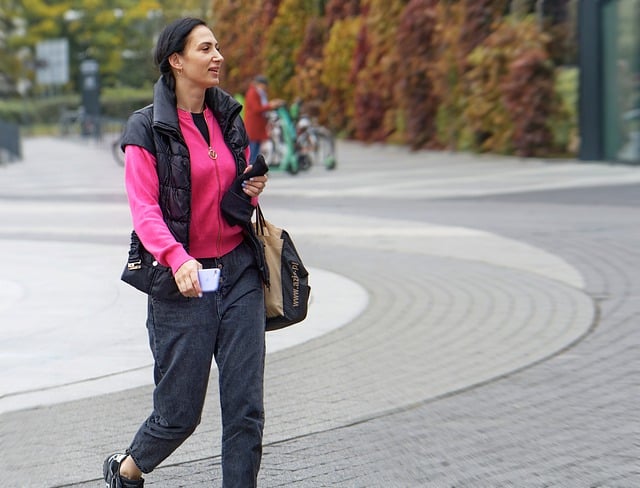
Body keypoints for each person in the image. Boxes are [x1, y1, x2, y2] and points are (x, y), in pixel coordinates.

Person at [104, 17, 269, 488]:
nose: (217, 56)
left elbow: (234, 202)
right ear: (176, 61)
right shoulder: (146, 129)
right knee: (178, 415)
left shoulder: (227, 117)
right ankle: (128, 469)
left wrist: (251, 190)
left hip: (238, 273)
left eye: (217, 46)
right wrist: (178, 259)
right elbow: (145, 211)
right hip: (184, 283)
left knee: (245, 410)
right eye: (205, 48)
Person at [244, 75, 284, 163]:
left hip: (258, 126)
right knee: (253, 149)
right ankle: (251, 169)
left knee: (256, 148)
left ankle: (254, 168)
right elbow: (256, 109)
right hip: (253, 126)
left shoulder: (258, 93)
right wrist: (270, 105)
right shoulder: (253, 93)